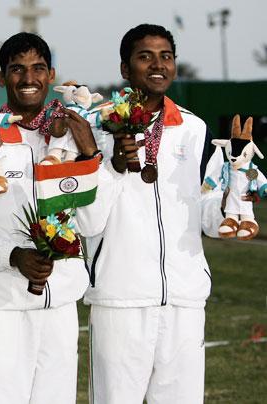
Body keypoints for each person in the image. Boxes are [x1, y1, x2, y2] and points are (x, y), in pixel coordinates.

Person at [0, 32, 102, 404]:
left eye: (38, 68)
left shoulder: (76, 136)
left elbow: (94, 223)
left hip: (60, 305)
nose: (28, 78)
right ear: (2, 78)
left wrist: (89, 156)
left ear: (52, 75)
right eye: (17, 69)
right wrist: (12, 256)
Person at [76, 24, 224, 404]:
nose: (158, 65)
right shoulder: (97, 127)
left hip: (185, 299)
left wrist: (229, 210)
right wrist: (109, 166)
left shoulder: (195, 128)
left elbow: (209, 208)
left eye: (166, 56)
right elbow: (85, 221)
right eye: (145, 57)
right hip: (120, 298)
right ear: (125, 69)